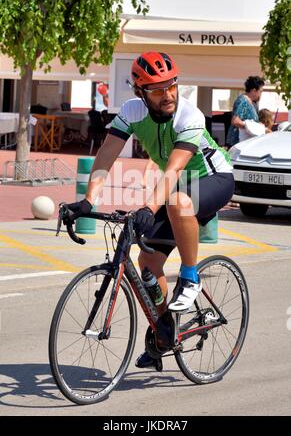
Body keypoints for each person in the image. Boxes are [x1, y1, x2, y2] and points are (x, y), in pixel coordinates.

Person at [67, 51, 234, 369]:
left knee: (178, 200)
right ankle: (165, 331)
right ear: (140, 92)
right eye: (158, 90)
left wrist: (148, 206)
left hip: (214, 180)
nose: (168, 95)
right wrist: (89, 201)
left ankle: (190, 276)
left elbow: (173, 170)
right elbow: (106, 155)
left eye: (172, 86)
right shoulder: (131, 112)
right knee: (146, 263)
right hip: (176, 193)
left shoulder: (189, 116)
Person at [226, 76, 265, 147]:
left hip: (245, 142)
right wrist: (253, 127)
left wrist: (258, 125)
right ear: (254, 90)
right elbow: (235, 121)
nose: (261, 94)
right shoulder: (243, 101)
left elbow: (250, 120)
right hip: (237, 143)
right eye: (260, 91)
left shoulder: (252, 102)